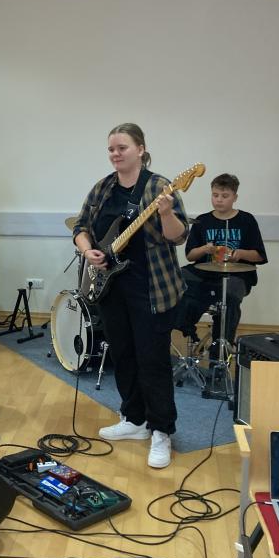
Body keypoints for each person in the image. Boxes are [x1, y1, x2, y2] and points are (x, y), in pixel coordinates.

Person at [72, 123, 189, 469]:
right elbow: (80, 227)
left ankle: (161, 430)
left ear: (140, 149)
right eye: (111, 149)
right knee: (122, 354)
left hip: (151, 288)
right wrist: (88, 250)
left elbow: (178, 236)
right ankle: (135, 419)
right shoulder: (103, 188)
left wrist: (165, 212)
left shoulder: (159, 187)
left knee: (152, 360)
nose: (115, 154)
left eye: (122, 147)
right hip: (111, 287)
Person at [178, 173, 267, 355]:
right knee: (177, 279)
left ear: (235, 197)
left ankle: (221, 348)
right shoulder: (202, 221)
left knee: (229, 297)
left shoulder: (247, 220)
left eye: (225, 196)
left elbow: (259, 255)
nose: (219, 200)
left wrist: (240, 254)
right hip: (204, 274)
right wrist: (205, 249)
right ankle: (188, 329)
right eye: (215, 195)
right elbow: (190, 256)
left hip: (236, 275)